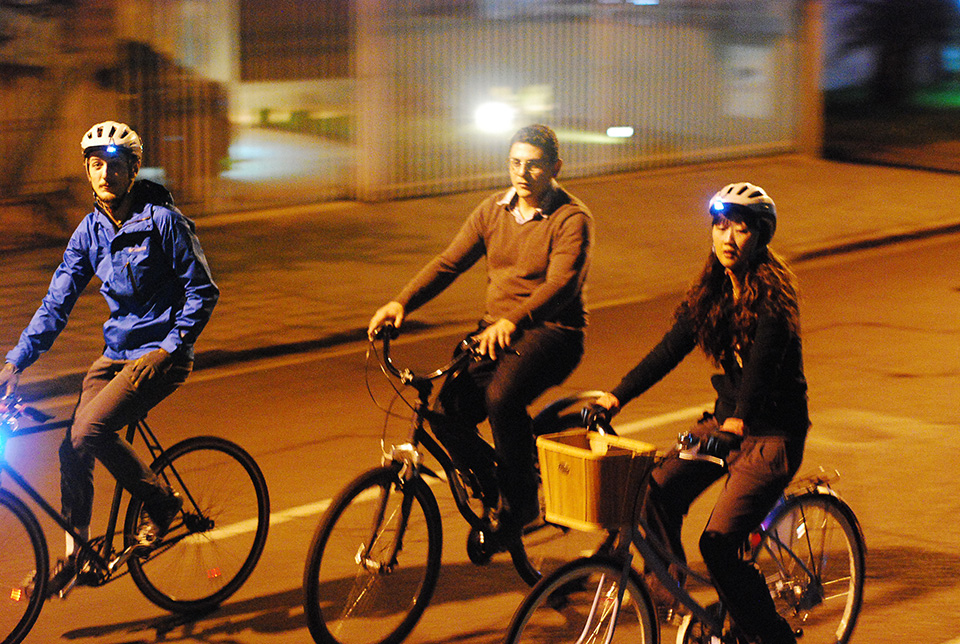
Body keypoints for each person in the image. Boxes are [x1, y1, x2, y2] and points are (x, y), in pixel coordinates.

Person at [0, 121, 219, 595]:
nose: (104, 174)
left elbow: (203, 292)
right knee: (72, 447)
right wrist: (16, 362)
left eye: (114, 165)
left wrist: (168, 349)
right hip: (115, 354)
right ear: (88, 170)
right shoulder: (89, 231)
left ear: (133, 170)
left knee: (89, 430)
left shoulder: (163, 222)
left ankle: (161, 504)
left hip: (161, 355)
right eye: (95, 165)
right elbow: (56, 303)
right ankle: (76, 555)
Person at [592, 182, 807, 644]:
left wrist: (737, 422)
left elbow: (760, 370)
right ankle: (671, 589)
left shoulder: (774, 299)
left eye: (741, 228)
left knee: (718, 544)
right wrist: (615, 396)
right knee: (651, 490)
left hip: (770, 435)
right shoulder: (714, 292)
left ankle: (773, 637)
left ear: (760, 236)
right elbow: (668, 350)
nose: (728, 237)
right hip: (725, 425)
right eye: (720, 226)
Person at [367, 124, 593, 532]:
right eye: (515, 163)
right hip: (495, 331)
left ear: (556, 167)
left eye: (534, 165)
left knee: (501, 398)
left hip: (553, 332)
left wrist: (513, 320)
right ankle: (494, 488)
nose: (522, 173)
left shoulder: (570, 218)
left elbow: (562, 285)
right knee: (444, 412)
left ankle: (521, 503)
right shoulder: (492, 211)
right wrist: (402, 302)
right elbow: (448, 263)